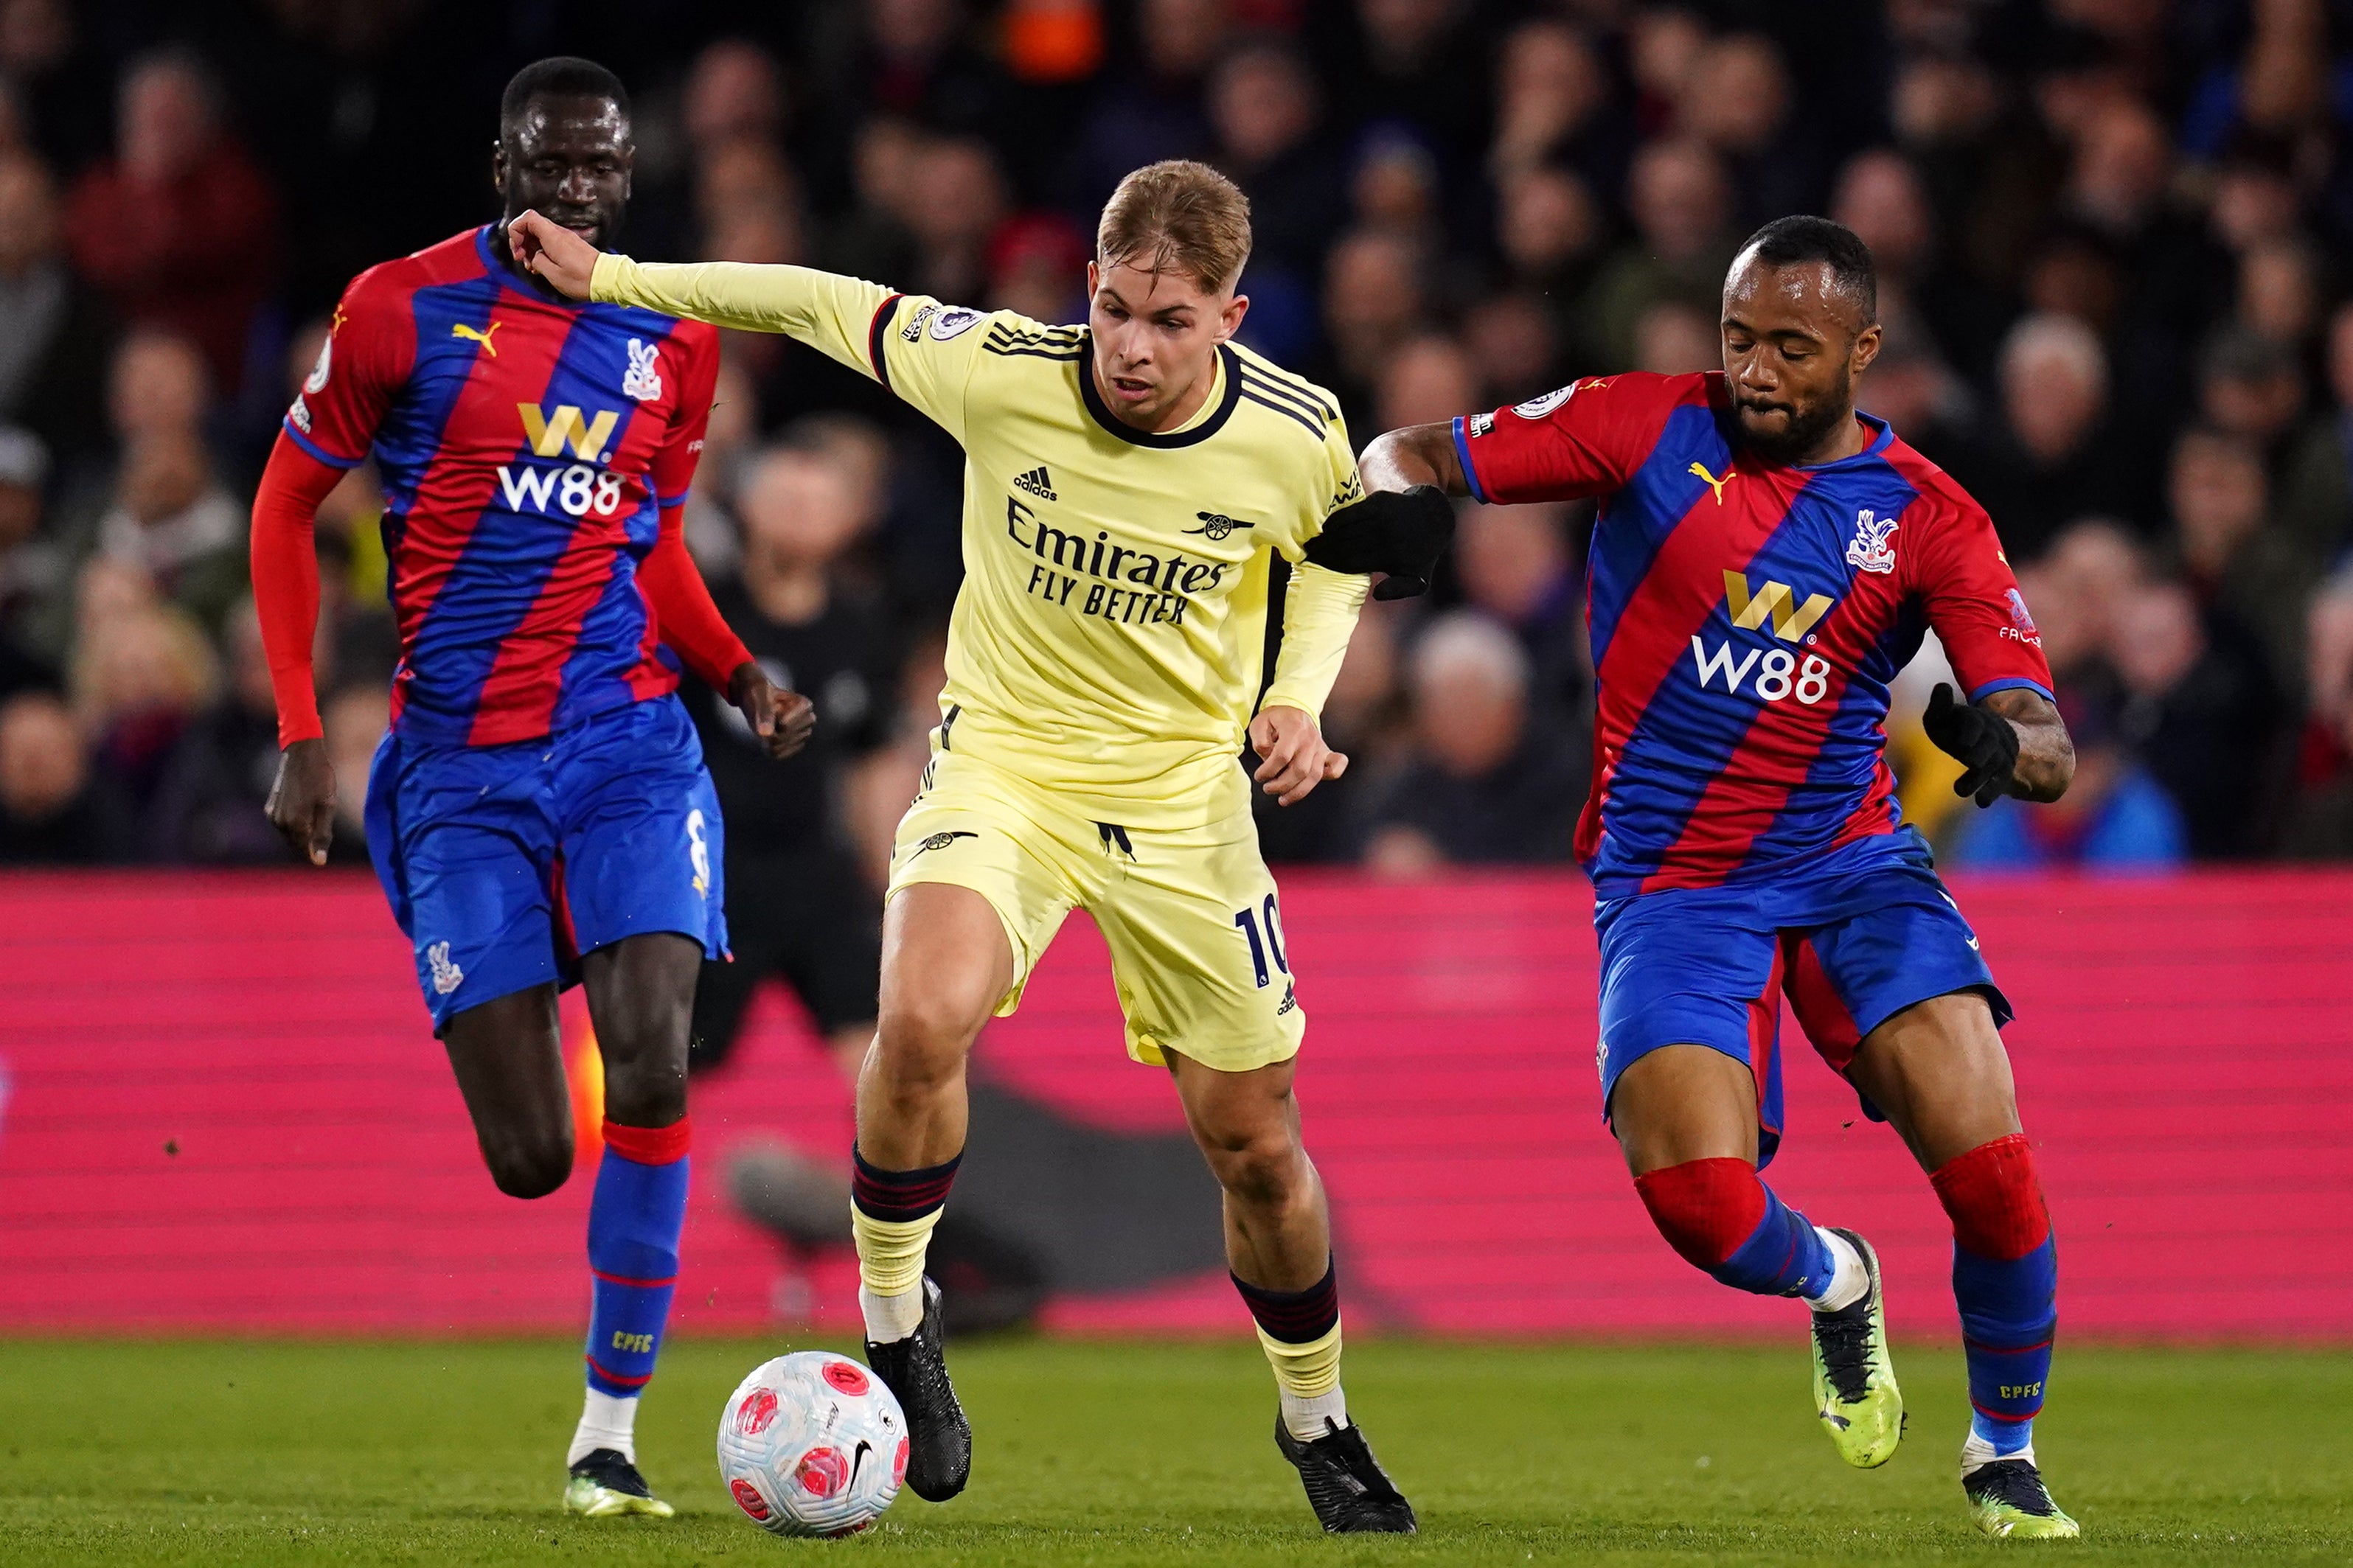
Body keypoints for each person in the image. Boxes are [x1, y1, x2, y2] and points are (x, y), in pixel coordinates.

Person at [510, 157, 1428, 1533]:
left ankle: (1319, 1417)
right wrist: (617, 278)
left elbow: (1337, 561)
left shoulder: (1297, 431)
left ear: (1230, 317)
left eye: (1170, 321)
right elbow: (818, 302)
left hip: (1184, 805)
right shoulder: (1004, 367)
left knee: (1252, 1144)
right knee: (919, 1018)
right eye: (1115, 307)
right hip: (1004, 767)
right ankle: (897, 1318)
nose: (1129, 344)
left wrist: (1295, 699)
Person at [1357, 217, 2084, 1539]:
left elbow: (2046, 744)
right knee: (1697, 1203)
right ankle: (1836, 1280)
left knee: (1992, 1170)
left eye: (1791, 349)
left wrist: (2000, 739)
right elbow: (1417, 447)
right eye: (1739, 337)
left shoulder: (1928, 515)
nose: (1753, 369)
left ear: (1861, 352)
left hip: (1853, 863)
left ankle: (2003, 1453)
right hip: (1676, 884)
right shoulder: (1636, 425)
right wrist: (1396, 506)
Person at [245, 58, 813, 1522]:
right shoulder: (398, 309)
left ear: (627, 178)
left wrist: (738, 667)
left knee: (657, 1056)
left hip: (627, 741)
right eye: (550, 163)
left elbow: (656, 542)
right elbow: (285, 500)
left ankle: (608, 1430)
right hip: (458, 769)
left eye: (600, 168)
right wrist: (305, 724)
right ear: (504, 166)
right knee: (528, 1157)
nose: (575, 188)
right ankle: (522, 940)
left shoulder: (676, 329)